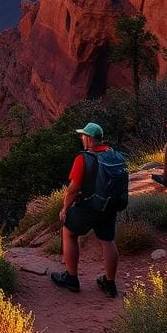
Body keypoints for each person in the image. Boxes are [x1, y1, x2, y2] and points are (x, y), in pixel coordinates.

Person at [51, 122, 120, 298]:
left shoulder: (83, 158)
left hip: (91, 206)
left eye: (83, 136)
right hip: (110, 205)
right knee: (108, 241)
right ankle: (110, 284)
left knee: (68, 232)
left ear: (89, 139)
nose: (82, 138)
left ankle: (71, 278)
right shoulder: (114, 154)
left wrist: (65, 208)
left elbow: (73, 189)